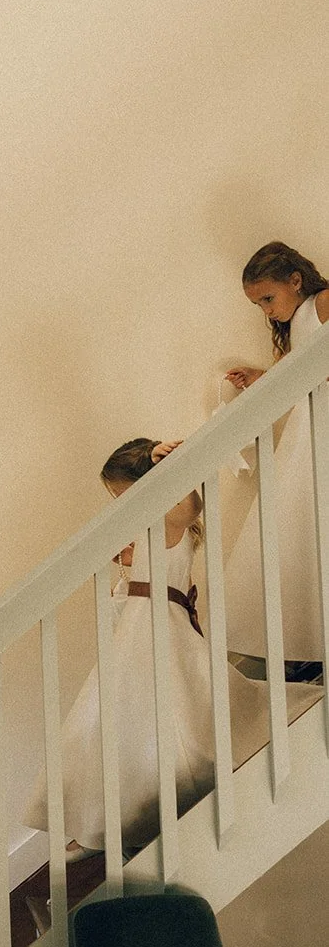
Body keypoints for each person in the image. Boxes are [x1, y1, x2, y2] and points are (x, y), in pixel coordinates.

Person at [23, 439, 318, 856]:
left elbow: (187, 507)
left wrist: (171, 466)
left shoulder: (168, 521)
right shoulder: (146, 532)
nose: (121, 506)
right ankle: (106, 822)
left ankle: (125, 821)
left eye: (126, 495)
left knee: (158, 720)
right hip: (140, 632)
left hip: (158, 628)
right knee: (120, 722)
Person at [224, 241, 329, 666]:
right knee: (300, 523)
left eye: (268, 298)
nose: (267, 311)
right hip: (311, 424)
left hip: (321, 421)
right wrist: (263, 376)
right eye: (258, 305)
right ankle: (306, 646)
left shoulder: (323, 302)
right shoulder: (299, 323)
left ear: (296, 281)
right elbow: (303, 371)